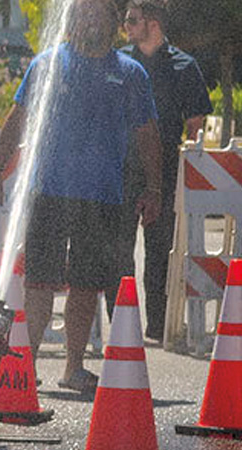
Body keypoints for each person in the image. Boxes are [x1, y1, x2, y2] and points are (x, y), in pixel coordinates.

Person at [0, 0, 162, 395]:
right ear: (73, 18)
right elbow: (18, 117)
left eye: (99, 13)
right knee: (40, 283)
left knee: (86, 285)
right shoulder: (47, 63)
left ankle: (74, 367)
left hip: (102, 198)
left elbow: (148, 134)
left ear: (114, 22)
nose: (91, 19)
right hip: (49, 192)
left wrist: (154, 188)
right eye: (84, 12)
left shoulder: (129, 73)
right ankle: (25, 364)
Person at [118, 0, 213, 339]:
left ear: (153, 23)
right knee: (119, 248)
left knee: (159, 252)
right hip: (124, 168)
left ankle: (157, 325)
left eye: (132, 20)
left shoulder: (184, 66)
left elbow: (195, 124)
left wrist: (189, 172)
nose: (125, 26)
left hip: (168, 169)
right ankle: (121, 326)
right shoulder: (122, 63)